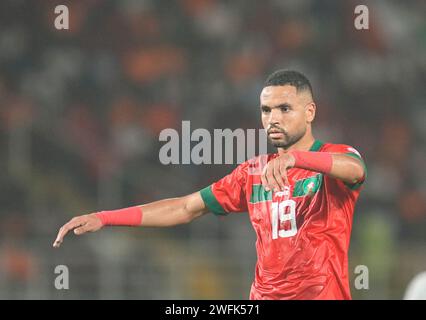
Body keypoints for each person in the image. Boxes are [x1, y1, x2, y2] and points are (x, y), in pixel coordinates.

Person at [53, 70, 366, 300]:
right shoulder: (252, 172)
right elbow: (185, 207)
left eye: (285, 109)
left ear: (310, 112)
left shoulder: (331, 158)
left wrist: (298, 160)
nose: (273, 118)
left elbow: (355, 169)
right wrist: (105, 217)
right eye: (266, 110)